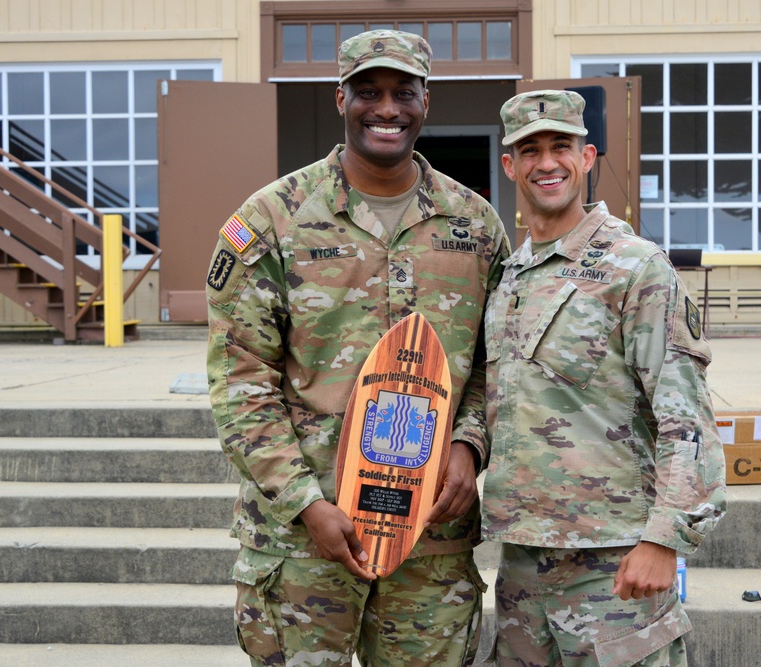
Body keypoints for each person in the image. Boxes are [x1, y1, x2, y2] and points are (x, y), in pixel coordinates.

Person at [205, 30, 510, 667]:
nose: (387, 108)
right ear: (340, 97)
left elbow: (495, 362)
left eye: (404, 92)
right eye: (368, 92)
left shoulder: (474, 224)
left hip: (431, 533)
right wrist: (305, 502)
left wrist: (470, 442)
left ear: (427, 101)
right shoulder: (273, 219)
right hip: (305, 539)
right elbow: (241, 381)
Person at [480, 89, 727, 666]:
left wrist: (665, 538)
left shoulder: (635, 266)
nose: (547, 163)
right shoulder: (510, 278)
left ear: (586, 158)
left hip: (614, 566)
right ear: (510, 164)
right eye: (530, 149)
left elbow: (685, 416)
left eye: (560, 146)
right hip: (522, 560)